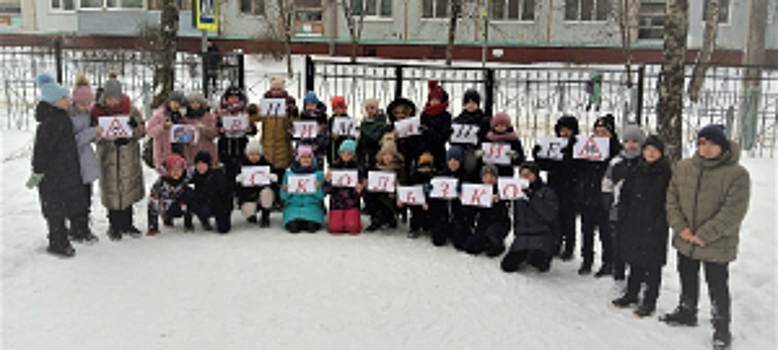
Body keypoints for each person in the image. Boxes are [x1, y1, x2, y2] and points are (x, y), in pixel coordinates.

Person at [661, 125, 750, 350]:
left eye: (711, 144)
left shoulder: (736, 174)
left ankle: (721, 328)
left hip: (716, 242)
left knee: (717, 284)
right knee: (686, 274)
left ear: (722, 146)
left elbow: (733, 211)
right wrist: (681, 228)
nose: (706, 148)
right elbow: (672, 199)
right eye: (701, 143)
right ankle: (687, 310)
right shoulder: (683, 167)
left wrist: (704, 235)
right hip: (686, 238)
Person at [28, 73, 89, 257]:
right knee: (55, 208)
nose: (68, 100)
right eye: (64, 98)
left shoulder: (60, 117)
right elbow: (42, 150)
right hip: (52, 174)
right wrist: (38, 171)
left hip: (64, 171)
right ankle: (57, 242)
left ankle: (62, 238)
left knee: (61, 205)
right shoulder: (52, 122)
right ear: (54, 101)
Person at [611, 135, 672, 317]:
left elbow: (671, 200)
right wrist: (622, 212)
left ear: (661, 153)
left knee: (653, 264)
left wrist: (662, 220)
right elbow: (625, 194)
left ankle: (649, 301)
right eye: (647, 150)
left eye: (655, 150)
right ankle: (631, 294)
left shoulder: (666, 174)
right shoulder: (636, 170)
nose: (650, 154)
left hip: (655, 224)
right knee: (634, 258)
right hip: (633, 221)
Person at [91, 72, 146, 240]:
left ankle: (128, 223)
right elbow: (91, 134)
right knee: (112, 192)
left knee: (127, 189)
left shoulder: (131, 110)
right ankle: (114, 225)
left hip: (128, 157)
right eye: (109, 99)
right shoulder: (97, 111)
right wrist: (100, 136)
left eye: (115, 99)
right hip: (108, 157)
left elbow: (142, 131)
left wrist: (132, 132)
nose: (112, 102)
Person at [576, 114, 622, 276]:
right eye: (597, 132)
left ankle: (608, 262)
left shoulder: (616, 150)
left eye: (604, 132)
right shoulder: (587, 147)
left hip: (605, 196)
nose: (600, 135)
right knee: (586, 230)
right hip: (587, 194)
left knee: (605, 231)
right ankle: (586, 260)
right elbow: (576, 167)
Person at [601, 124, 645, 284]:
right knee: (618, 246)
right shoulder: (616, 162)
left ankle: (637, 280)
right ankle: (618, 276)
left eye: (635, 141)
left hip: (639, 213)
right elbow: (607, 183)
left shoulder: (645, 162)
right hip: (618, 210)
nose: (631, 145)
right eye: (627, 141)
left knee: (636, 247)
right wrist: (608, 201)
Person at [532, 115, 579, 261]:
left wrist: (568, 158)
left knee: (568, 218)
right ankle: (556, 243)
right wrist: (537, 154)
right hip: (555, 185)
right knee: (554, 217)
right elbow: (544, 165)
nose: (565, 133)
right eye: (562, 130)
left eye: (568, 130)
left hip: (572, 188)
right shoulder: (552, 145)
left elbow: (577, 167)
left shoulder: (577, 146)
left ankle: (569, 247)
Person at [501, 162, 559, 273]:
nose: (524, 177)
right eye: (522, 175)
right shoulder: (516, 191)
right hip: (523, 235)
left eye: (528, 174)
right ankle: (526, 251)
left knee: (537, 261)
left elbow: (550, 215)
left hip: (543, 235)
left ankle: (543, 254)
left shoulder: (547, 191)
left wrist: (533, 197)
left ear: (536, 175)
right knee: (507, 266)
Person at [68, 74, 101, 244]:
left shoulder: (88, 115)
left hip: (86, 161)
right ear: (74, 102)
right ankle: (76, 228)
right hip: (73, 163)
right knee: (76, 198)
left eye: (88, 103)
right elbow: (71, 141)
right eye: (82, 104)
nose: (86, 107)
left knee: (87, 197)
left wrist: (96, 136)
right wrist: (92, 133)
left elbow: (88, 136)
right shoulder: (68, 117)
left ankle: (84, 227)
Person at [253, 77, 298, 191]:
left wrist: (292, 112)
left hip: (283, 145)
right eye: (274, 89)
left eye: (279, 89)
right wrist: (253, 111)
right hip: (267, 144)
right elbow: (256, 118)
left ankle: (280, 196)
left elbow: (294, 123)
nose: (276, 92)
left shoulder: (288, 104)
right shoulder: (266, 103)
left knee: (281, 174)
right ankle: (270, 197)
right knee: (268, 174)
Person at [214, 86, 257, 193]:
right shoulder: (219, 112)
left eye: (236, 97)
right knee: (227, 169)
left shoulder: (245, 112)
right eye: (231, 97)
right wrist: (220, 130)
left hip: (241, 142)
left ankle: (240, 192)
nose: (233, 100)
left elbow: (254, 130)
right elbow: (214, 128)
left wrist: (250, 129)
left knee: (241, 168)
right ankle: (228, 192)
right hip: (226, 144)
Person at [428, 146, 471, 249]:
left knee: (459, 243)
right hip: (443, 214)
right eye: (450, 160)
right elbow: (433, 197)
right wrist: (429, 189)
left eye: (456, 160)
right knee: (437, 240)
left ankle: (457, 229)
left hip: (460, 215)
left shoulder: (466, 176)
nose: (453, 163)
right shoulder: (440, 175)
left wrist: (464, 193)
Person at [463, 164, 510, 257]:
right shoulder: (478, 191)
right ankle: (485, 240)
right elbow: (472, 212)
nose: (489, 178)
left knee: (492, 248)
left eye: (492, 176)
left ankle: (498, 244)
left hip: (499, 223)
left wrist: (499, 200)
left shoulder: (502, 190)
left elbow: (508, 204)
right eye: (485, 176)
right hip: (483, 223)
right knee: (470, 247)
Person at [357, 98, 391, 220]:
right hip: (367, 158)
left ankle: (385, 214)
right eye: (367, 108)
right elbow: (360, 144)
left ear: (377, 108)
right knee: (368, 187)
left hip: (379, 159)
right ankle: (372, 212)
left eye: (372, 108)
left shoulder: (384, 125)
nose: (370, 111)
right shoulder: (363, 124)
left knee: (381, 189)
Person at [280, 146, 326, 233]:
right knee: (293, 227)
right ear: (298, 159)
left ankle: (309, 220)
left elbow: (321, 196)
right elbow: (283, 197)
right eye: (303, 157)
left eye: (309, 157)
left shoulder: (319, 175)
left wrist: (318, 188)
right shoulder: (289, 174)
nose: (306, 159)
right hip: (293, 206)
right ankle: (295, 220)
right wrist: (285, 190)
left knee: (312, 227)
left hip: (312, 206)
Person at [146, 154, 194, 236]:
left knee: (190, 193)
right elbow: (153, 203)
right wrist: (153, 227)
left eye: (179, 170)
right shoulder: (160, 183)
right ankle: (167, 217)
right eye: (173, 170)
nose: (176, 173)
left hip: (179, 202)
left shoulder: (185, 178)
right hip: (165, 205)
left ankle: (188, 223)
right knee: (156, 203)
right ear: (168, 170)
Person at [236, 137, 278, 227]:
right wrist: (238, 181)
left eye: (256, 154)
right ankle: (251, 215)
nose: (254, 157)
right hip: (248, 196)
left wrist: (273, 179)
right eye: (251, 154)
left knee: (267, 193)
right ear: (247, 155)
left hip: (263, 194)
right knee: (248, 210)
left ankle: (265, 215)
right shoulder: (241, 166)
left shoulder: (267, 165)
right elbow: (236, 190)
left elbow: (275, 186)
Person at [365, 139, 405, 232]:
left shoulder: (400, 169)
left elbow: (405, 184)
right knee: (370, 195)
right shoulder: (376, 167)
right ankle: (375, 218)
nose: (387, 157)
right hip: (378, 195)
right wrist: (367, 183)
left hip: (392, 197)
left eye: (389, 155)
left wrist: (398, 184)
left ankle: (391, 216)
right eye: (384, 154)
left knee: (390, 199)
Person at [450, 89, 490, 182]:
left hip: (476, 149)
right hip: (460, 148)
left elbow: (486, 137)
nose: (470, 105)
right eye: (468, 102)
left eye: (473, 102)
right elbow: (452, 137)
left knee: (471, 158)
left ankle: (468, 181)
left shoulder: (484, 120)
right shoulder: (458, 120)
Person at [325, 140, 363, 234]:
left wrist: (360, 190)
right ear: (340, 154)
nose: (346, 156)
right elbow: (327, 190)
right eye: (344, 153)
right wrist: (327, 181)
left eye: (349, 154)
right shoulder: (334, 167)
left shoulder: (358, 169)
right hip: (336, 203)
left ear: (353, 155)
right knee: (334, 229)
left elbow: (363, 192)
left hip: (352, 203)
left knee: (353, 228)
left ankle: (352, 218)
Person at [191, 150, 232, 234]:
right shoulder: (194, 176)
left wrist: (225, 211)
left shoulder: (218, 176)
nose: (200, 167)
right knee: (202, 209)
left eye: (203, 164)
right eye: (198, 164)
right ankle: (204, 219)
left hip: (220, 204)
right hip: (205, 203)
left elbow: (226, 194)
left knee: (223, 229)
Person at [147, 90, 187, 170]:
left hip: (178, 151)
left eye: (179, 104)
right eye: (175, 103)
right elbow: (150, 131)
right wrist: (163, 127)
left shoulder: (180, 116)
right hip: (163, 153)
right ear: (169, 102)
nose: (177, 106)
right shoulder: (160, 114)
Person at [399, 152, 435, 238]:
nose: (425, 169)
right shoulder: (414, 177)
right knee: (416, 212)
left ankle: (428, 225)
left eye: (427, 167)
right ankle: (414, 227)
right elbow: (408, 192)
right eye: (423, 167)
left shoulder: (434, 177)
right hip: (417, 204)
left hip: (430, 202)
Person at [419, 80, 452, 170]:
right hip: (424, 149)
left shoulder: (446, 116)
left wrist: (429, 131)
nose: (434, 102)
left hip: (438, 150)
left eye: (436, 100)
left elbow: (443, 136)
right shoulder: (424, 114)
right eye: (432, 99)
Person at [182, 92, 219, 167]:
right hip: (191, 153)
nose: (195, 105)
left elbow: (214, 133)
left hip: (208, 151)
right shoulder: (184, 119)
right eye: (192, 103)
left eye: (197, 103)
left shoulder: (208, 117)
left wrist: (204, 128)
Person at [483, 111, 525, 177]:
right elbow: (481, 160)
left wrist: (515, 156)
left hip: (506, 172)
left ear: (507, 126)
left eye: (502, 125)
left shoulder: (513, 140)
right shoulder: (487, 138)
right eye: (497, 125)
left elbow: (521, 160)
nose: (500, 128)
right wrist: (480, 154)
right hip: (489, 173)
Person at [296, 91, 329, 169]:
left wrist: (321, 132)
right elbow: (294, 136)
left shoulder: (322, 117)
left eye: (312, 104)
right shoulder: (302, 117)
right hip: (303, 151)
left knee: (317, 173)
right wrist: (293, 131)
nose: (310, 107)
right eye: (308, 105)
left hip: (318, 152)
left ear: (316, 105)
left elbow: (327, 137)